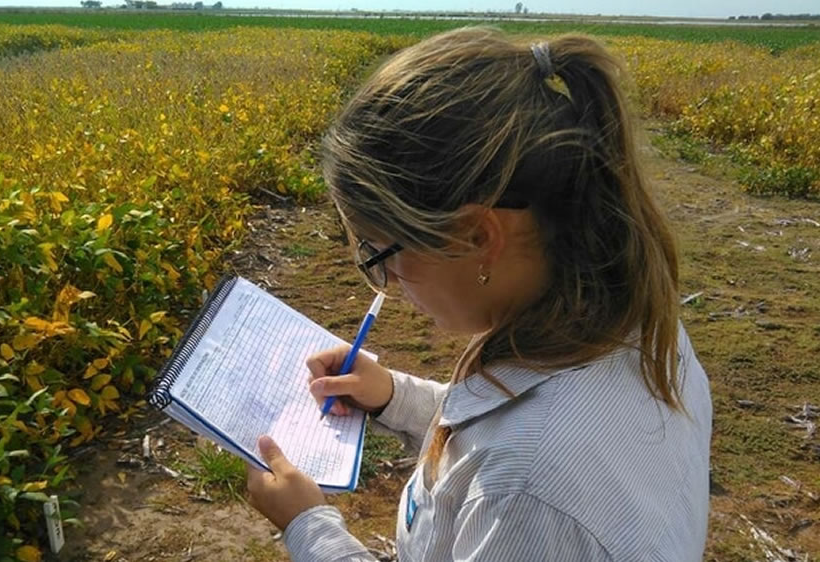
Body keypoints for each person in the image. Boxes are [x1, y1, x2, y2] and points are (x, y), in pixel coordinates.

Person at [245, 27, 712, 561]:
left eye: (380, 254)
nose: (388, 285)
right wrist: (395, 396)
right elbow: (495, 425)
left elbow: (514, 456)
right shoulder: (630, 326)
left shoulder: (529, 496)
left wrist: (309, 527)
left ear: (477, 236)